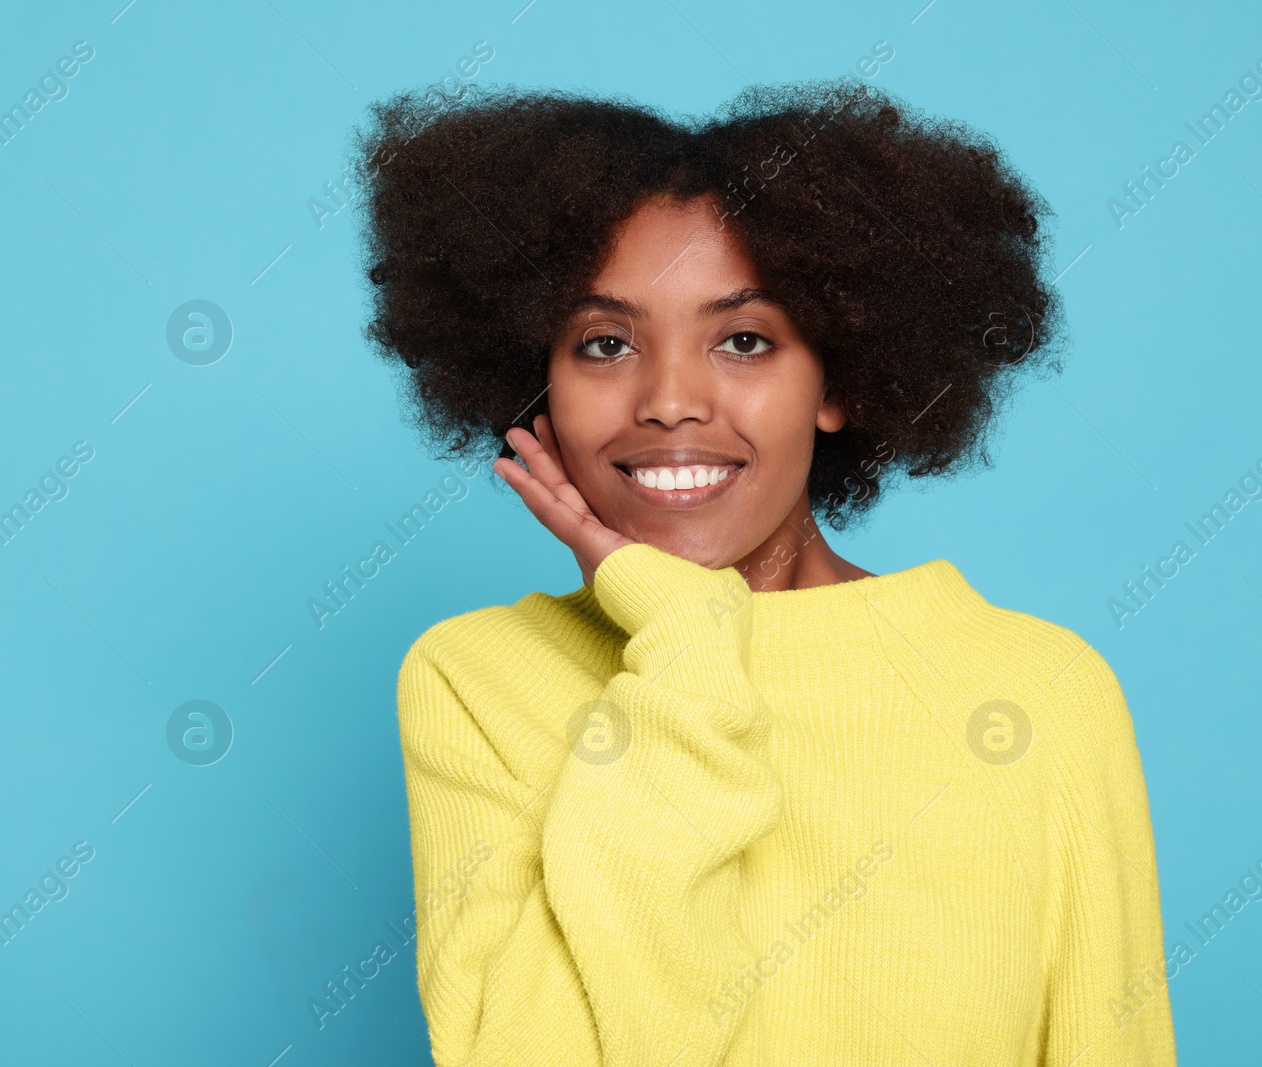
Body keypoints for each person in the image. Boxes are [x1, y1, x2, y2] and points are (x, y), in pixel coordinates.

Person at [355, 77, 1177, 1066]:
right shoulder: (477, 679)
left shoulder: (1040, 689)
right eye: (605, 342)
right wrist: (683, 639)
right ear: (540, 386)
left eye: (742, 340)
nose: (669, 400)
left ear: (836, 382)